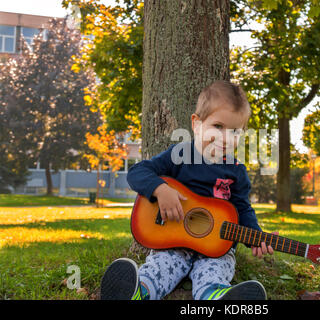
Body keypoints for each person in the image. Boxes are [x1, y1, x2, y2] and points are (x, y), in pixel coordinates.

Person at [100, 80, 277, 300]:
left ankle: (216, 297)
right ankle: (137, 293)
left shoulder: (237, 171)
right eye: (218, 126)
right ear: (196, 124)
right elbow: (137, 172)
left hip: (216, 249)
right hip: (172, 242)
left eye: (234, 131)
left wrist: (256, 237)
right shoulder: (180, 154)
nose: (225, 137)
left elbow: (243, 208)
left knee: (214, 272)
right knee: (159, 268)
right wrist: (160, 189)